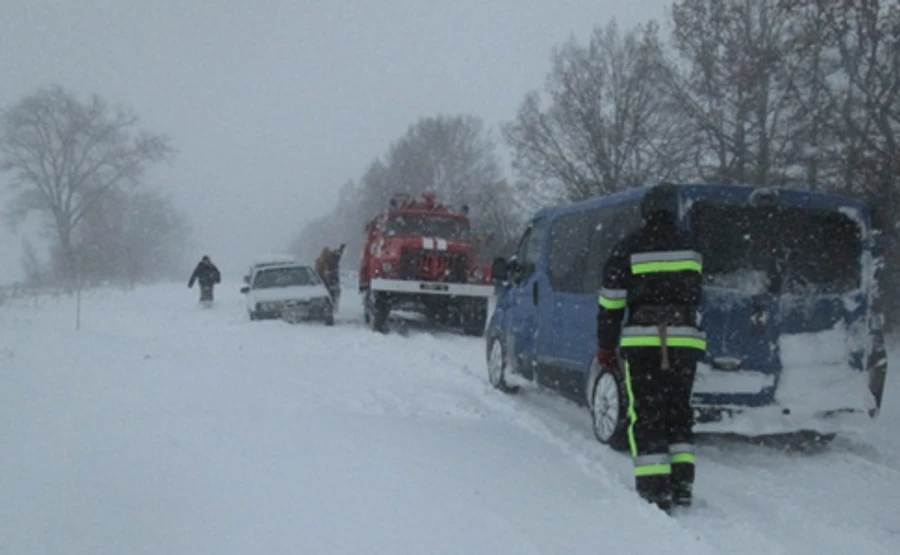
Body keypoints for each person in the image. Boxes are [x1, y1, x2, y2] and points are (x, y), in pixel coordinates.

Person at [596, 184, 706, 513]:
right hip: (685, 342)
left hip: (643, 343)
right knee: (679, 412)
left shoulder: (628, 246)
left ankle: (655, 488)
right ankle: (682, 484)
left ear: (645, 211)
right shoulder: (691, 246)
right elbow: (696, 295)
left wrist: (606, 345)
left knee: (647, 413)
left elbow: (611, 301)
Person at [316, 244, 345, 309]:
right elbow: (318, 271)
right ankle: (331, 305)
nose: (327, 254)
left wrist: (341, 249)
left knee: (333, 294)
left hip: (331, 281)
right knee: (332, 294)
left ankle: (332, 305)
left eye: (328, 252)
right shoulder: (322, 261)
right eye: (326, 252)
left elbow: (338, 255)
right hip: (328, 281)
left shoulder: (330, 259)